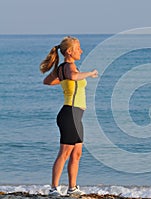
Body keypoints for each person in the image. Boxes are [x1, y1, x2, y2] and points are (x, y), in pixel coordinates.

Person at [40, 36, 98, 196]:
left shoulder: (66, 68)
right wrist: (90, 73)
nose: (81, 51)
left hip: (75, 116)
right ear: (70, 52)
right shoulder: (69, 66)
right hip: (69, 114)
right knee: (65, 152)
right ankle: (54, 188)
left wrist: (64, 80)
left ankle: (72, 187)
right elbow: (72, 76)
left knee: (77, 152)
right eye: (78, 48)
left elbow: (48, 81)